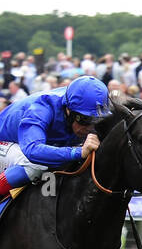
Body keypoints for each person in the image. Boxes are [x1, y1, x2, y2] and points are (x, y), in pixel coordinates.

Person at [0, 76, 111, 210]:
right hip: (9, 142)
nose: (89, 128)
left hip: (31, 145)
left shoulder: (86, 105)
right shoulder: (42, 107)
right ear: (68, 110)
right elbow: (32, 150)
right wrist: (78, 152)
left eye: (96, 121)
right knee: (35, 166)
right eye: (85, 120)